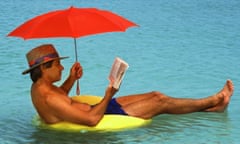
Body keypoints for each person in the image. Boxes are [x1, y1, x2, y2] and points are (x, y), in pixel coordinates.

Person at [23, 44, 234, 126]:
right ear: (44, 68)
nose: (61, 68)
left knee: (154, 94)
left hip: (99, 109)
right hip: (101, 115)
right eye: (58, 64)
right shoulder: (48, 97)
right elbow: (91, 120)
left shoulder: (41, 87)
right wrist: (109, 93)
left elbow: (60, 97)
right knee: (159, 101)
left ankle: (212, 107)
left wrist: (71, 79)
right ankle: (215, 101)